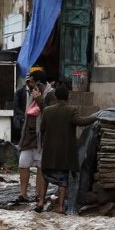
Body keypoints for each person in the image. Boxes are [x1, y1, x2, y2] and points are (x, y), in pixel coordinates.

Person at [36, 86, 97, 214]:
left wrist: (43, 144)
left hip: (49, 150)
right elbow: (81, 122)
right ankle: (61, 207)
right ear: (67, 97)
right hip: (65, 151)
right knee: (63, 179)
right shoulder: (70, 110)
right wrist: (96, 117)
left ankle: (41, 202)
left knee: (45, 176)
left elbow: (42, 130)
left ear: (56, 97)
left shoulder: (47, 111)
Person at [17, 71, 47, 204]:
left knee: (40, 166)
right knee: (23, 163)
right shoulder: (28, 94)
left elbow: (47, 111)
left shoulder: (50, 95)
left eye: (32, 82)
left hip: (41, 137)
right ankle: (23, 193)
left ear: (39, 83)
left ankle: (38, 194)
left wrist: (40, 98)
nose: (29, 84)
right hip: (28, 136)